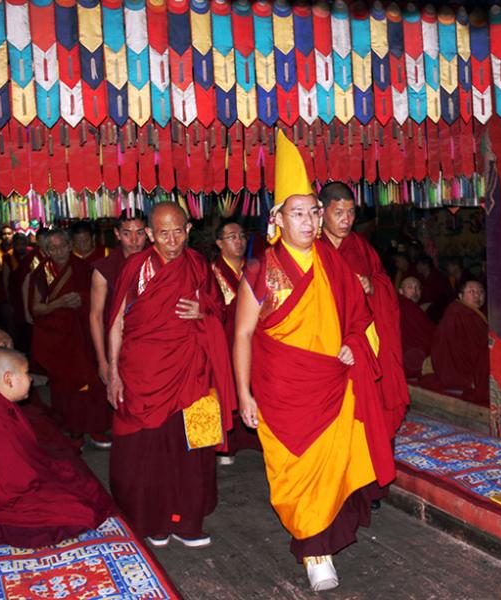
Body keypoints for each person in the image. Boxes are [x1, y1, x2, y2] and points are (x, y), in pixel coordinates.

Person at [232, 131, 395, 592]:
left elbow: (358, 318)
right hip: (282, 390)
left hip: (332, 384)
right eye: (297, 213)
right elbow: (242, 333)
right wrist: (244, 394)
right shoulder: (261, 269)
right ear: (277, 219)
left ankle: (320, 548)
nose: (308, 221)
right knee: (296, 472)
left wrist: (353, 344)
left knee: (334, 466)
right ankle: (314, 550)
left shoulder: (331, 261)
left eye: (313, 212)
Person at [107, 202, 236, 548]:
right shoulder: (135, 267)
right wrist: (113, 372)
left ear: (188, 229)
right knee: (148, 450)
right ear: (150, 234)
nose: (172, 241)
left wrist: (203, 311)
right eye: (163, 233)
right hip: (143, 373)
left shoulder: (198, 265)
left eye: (178, 231)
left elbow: (219, 309)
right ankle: (154, 521)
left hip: (191, 370)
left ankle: (188, 521)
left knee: (191, 448)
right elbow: (117, 320)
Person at [0, 347, 113, 548]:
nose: (31, 379)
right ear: (8, 379)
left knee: (74, 483)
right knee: (76, 512)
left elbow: (21, 459)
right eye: (26, 373)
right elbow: (9, 490)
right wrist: (47, 486)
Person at [319, 181, 409, 434]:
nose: (346, 220)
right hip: (325, 339)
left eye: (351, 213)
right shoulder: (312, 247)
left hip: (362, 340)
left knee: (366, 404)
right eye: (339, 213)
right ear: (322, 212)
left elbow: (384, 284)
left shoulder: (361, 247)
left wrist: (371, 286)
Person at [30, 229, 111, 447]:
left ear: (69, 246)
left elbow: (100, 300)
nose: (59, 252)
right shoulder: (43, 272)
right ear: (46, 250)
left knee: (92, 383)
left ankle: (96, 429)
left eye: (62, 246)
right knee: (65, 387)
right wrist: (60, 303)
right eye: (53, 248)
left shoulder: (84, 268)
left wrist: (82, 299)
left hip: (83, 336)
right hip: (58, 339)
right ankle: (75, 432)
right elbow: (36, 308)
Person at [210, 219, 260, 464]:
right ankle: (227, 447)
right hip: (225, 341)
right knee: (227, 390)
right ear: (220, 243)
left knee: (256, 387)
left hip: (254, 340)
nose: (239, 241)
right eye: (232, 237)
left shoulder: (254, 269)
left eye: (241, 236)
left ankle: (257, 440)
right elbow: (210, 308)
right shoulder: (211, 272)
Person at [89, 212, 147, 388]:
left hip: (154, 343)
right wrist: (102, 360)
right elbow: (96, 316)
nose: (134, 240)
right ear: (117, 234)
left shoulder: (158, 262)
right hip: (120, 345)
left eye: (140, 233)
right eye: (127, 233)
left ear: (148, 232)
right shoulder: (105, 268)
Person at [425, 280, 489, 406]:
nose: (477, 295)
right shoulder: (456, 314)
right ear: (460, 296)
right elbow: (463, 346)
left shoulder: (474, 313)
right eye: (472, 291)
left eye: (481, 292)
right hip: (459, 369)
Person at [397, 276, 435, 378]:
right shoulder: (406, 306)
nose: (414, 291)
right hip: (410, 360)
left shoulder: (411, 307)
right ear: (401, 291)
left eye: (417, 288)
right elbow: (430, 334)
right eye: (410, 287)